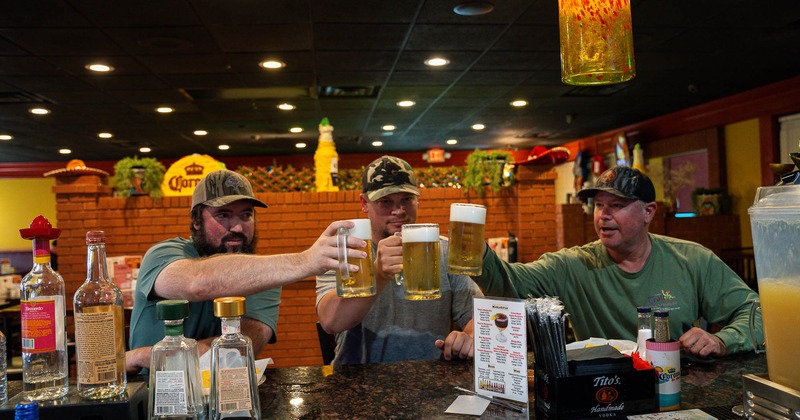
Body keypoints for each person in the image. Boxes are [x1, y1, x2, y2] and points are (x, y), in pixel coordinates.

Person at [471, 166, 762, 359]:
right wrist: (474, 249)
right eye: (598, 205)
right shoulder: (573, 265)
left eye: (617, 206)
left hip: (676, 385)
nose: (603, 215)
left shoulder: (692, 259)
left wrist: (723, 340)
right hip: (603, 392)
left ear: (648, 212)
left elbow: (756, 313)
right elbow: (507, 283)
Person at [126, 169, 367, 373]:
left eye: (246, 215)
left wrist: (147, 355)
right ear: (196, 221)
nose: (238, 227)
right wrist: (304, 261)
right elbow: (195, 283)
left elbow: (240, 348)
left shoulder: (262, 275)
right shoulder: (165, 253)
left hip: (223, 395)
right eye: (223, 215)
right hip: (152, 393)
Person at [315, 156, 483, 364]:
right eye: (385, 201)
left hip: (431, 381)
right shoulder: (343, 251)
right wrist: (378, 273)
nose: (399, 211)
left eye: (406, 199)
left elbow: (479, 318)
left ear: (418, 199)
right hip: (358, 384)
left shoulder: (445, 251)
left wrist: (470, 338)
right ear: (364, 203)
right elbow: (331, 322)